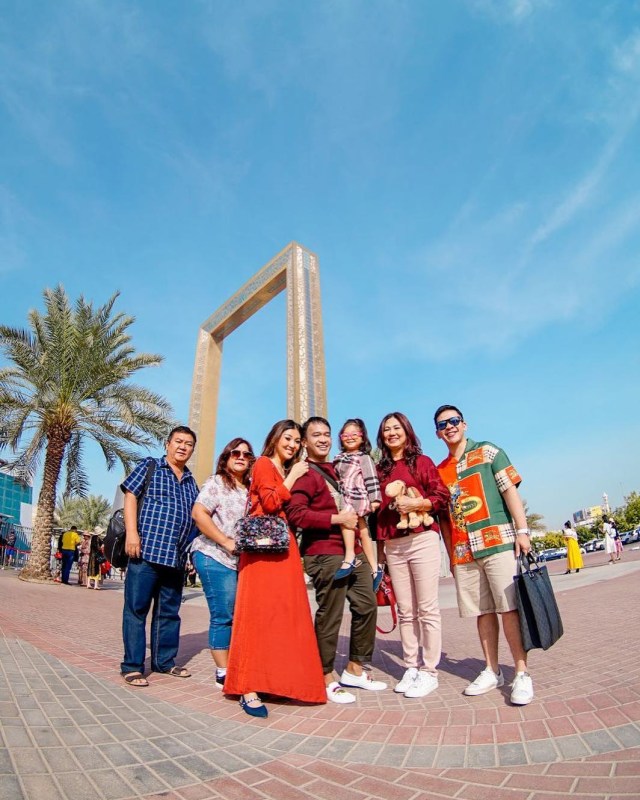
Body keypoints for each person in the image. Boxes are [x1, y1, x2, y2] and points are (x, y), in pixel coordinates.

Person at [224, 420, 326, 717]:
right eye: (288, 438)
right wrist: (293, 476)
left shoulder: (281, 469)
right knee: (257, 616)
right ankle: (248, 687)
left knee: (283, 615)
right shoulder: (265, 464)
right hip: (262, 553)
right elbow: (269, 502)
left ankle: (276, 681)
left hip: (284, 549)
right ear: (275, 438)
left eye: (297, 440)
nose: (293, 444)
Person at [434, 404, 534, 705]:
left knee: (508, 609)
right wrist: (451, 555)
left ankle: (521, 672)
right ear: (437, 433)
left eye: (453, 421)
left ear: (464, 424)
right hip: (464, 552)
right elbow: (444, 520)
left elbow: (509, 491)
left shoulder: (488, 452)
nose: (449, 427)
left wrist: (523, 530)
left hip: (498, 542)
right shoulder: (439, 472)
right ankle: (492, 670)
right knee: (482, 612)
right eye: (442, 424)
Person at [287, 416, 386, 705]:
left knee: (367, 605)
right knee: (330, 615)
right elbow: (296, 514)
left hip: (351, 550)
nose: (323, 439)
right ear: (304, 441)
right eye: (316, 434)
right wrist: (335, 518)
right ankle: (323, 675)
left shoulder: (340, 466)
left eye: (327, 434)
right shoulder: (304, 472)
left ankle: (355, 668)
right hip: (323, 552)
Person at [375, 412, 450, 699]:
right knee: (405, 610)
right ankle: (411, 666)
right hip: (394, 544)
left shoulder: (421, 462)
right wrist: (380, 552)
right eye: (386, 430)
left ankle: (429, 670)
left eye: (396, 428)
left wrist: (418, 503)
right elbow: (377, 513)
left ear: (407, 431)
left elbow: (441, 495)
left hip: (422, 539)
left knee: (427, 608)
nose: (392, 433)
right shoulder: (380, 470)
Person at [120, 425, 199, 687]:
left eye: (188, 443)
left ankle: (164, 662)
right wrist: (132, 533)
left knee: (169, 613)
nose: (183, 447)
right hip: (145, 552)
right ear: (167, 444)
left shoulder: (191, 482)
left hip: (175, 559)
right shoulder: (151, 466)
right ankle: (132, 666)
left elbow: (195, 519)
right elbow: (131, 495)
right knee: (136, 610)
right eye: (178, 441)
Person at [191, 438, 254, 690]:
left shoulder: (249, 488)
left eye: (247, 455)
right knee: (223, 615)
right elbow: (199, 513)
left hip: (238, 561)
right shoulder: (217, 482)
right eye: (235, 453)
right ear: (226, 457)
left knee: (238, 614)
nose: (241, 457)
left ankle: (235, 664)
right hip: (214, 555)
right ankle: (223, 672)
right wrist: (225, 541)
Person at [333, 419, 384, 589]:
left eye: (355, 434)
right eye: (345, 435)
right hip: (346, 495)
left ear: (362, 438)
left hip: (358, 495)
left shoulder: (364, 457)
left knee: (347, 522)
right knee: (363, 530)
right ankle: (374, 568)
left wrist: (375, 499)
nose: (350, 437)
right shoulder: (338, 458)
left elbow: (371, 478)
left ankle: (349, 556)